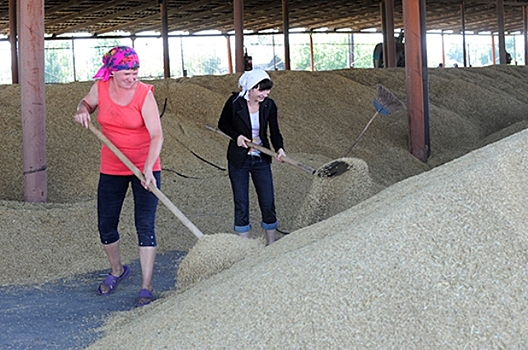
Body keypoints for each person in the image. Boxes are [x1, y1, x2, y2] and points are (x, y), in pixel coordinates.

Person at [74, 46, 163, 307]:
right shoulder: (100, 88)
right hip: (112, 166)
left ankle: (146, 286)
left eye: (135, 72)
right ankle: (117, 270)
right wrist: (82, 110)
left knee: (145, 225)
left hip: (145, 166)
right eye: (126, 73)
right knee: (106, 224)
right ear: (112, 72)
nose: (132, 78)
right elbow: (86, 103)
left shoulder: (144, 94)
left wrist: (148, 169)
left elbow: (157, 134)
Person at [217, 69, 285, 246]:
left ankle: (271, 244)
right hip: (239, 159)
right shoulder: (235, 103)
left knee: (268, 200)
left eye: (267, 89)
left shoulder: (269, 105)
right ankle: (244, 246)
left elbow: (274, 131)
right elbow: (222, 124)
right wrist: (237, 136)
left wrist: (280, 149)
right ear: (251, 88)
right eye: (261, 89)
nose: (265, 93)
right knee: (241, 202)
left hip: (261, 157)